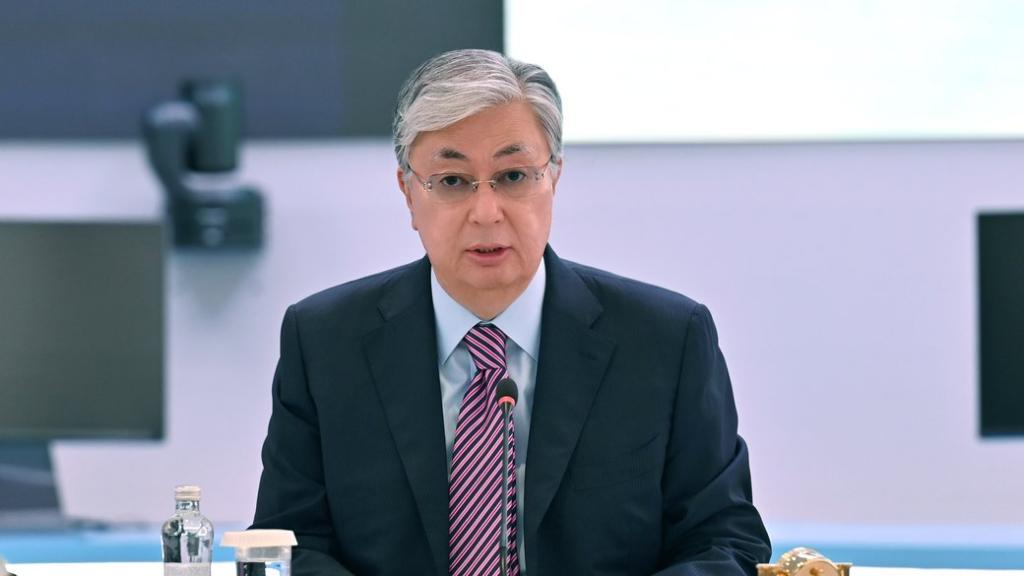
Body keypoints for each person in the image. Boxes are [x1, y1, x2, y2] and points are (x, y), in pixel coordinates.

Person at [252, 48, 771, 575]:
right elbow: (290, 543)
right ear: (408, 193)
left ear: (554, 178)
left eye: (514, 176)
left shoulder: (666, 341)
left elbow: (723, 541)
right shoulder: (324, 343)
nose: (486, 213)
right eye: (452, 181)